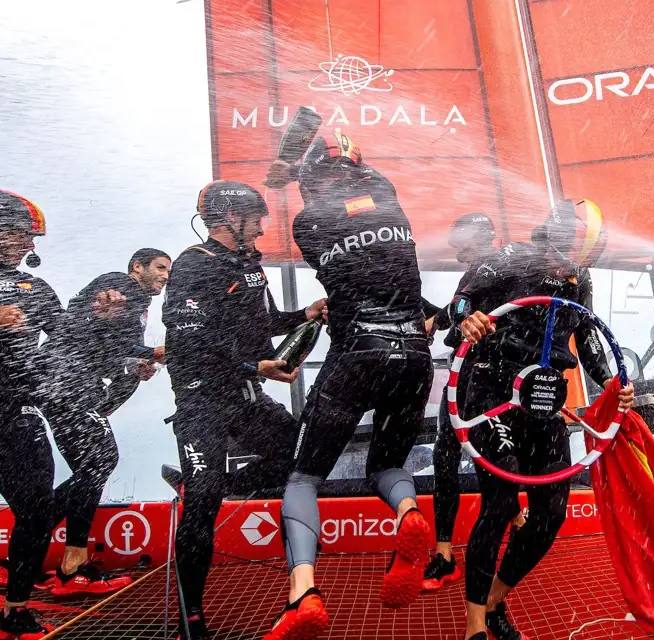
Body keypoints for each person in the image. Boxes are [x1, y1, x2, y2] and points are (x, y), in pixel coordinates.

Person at [261, 130, 436, 640]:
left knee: (303, 479)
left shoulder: (308, 222)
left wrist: (288, 169)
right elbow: (360, 177)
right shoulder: (388, 198)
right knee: (387, 465)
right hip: (415, 355)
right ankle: (407, 512)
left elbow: (319, 200)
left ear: (312, 179)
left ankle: (303, 594)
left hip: (357, 353)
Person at [453, 200, 634, 640]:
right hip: (490, 392)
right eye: (571, 256)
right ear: (553, 237)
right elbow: (459, 305)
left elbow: (588, 335)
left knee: (551, 513)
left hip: (543, 402)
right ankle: (474, 626)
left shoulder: (580, 280)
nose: (573, 267)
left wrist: (613, 384)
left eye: (582, 261)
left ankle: (495, 600)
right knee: (501, 499)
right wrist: (469, 320)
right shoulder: (509, 259)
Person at [163, 180, 326, 640]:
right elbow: (189, 339)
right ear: (230, 219)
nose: (262, 226)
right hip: (202, 402)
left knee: (295, 456)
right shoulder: (193, 265)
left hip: (247, 398)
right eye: (256, 218)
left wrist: (304, 315)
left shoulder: (249, 264)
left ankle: (209, 484)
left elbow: (266, 323)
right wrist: (253, 365)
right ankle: (190, 621)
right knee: (202, 508)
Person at [37, 248, 170, 596]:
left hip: (65, 384)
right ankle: (72, 567)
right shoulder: (120, 283)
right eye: (160, 267)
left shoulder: (137, 305)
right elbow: (88, 326)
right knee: (100, 461)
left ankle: (29, 550)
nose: (166, 276)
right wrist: (154, 353)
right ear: (137, 267)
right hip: (66, 383)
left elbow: (106, 349)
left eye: (168, 271)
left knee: (91, 467)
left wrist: (132, 366)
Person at [422, 212, 500, 592]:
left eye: (460, 239)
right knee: (485, 456)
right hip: (482, 375)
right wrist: (437, 317)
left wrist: (442, 319)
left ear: (477, 238)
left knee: (451, 456)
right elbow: (457, 311)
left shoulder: (483, 267)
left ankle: (446, 553)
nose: (454, 246)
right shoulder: (488, 268)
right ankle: (511, 525)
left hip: (474, 375)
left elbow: (461, 312)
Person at [0, 190, 61, 639]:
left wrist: (126, 352)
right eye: (21, 235)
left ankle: (16, 610)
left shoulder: (35, 288)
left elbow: (68, 337)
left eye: (31, 238)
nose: (29, 246)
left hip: (18, 415)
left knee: (36, 510)